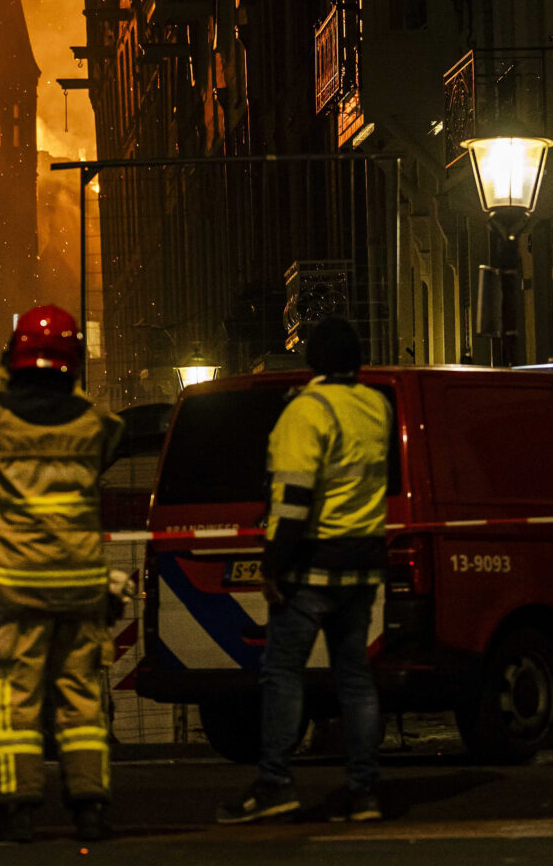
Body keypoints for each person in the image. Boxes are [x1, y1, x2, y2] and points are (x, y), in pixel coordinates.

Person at [0, 304, 124, 843]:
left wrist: (3, 371)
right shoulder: (96, 425)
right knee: (80, 694)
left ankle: (16, 809)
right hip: (79, 581)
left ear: (16, 358)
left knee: (15, 694)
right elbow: (101, 430)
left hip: (16, 581)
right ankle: (90, 805)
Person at [217, 316, 392, 825]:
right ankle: (365, 792)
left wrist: (274, 565)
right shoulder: (376, 406)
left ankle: (275, 783)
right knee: (355, 678)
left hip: (314, 563)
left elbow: (293, 501)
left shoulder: (305, 411)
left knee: (282, 672)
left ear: (312, 360)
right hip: (363, 561)